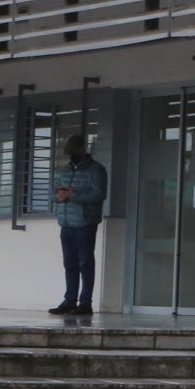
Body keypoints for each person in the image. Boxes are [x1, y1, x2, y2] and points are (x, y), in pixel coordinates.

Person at [50, 135, 109, 317]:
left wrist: (72, 195)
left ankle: (85, 303)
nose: (73, 155)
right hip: (66, 223)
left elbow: (98, 195)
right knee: (70, 264)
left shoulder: (97, 170)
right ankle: (69, 300)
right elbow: (53, 193)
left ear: (83, 149)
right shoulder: (65, 171)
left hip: (85, 223)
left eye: (75, 151)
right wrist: (59, 196)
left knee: (86, 263)